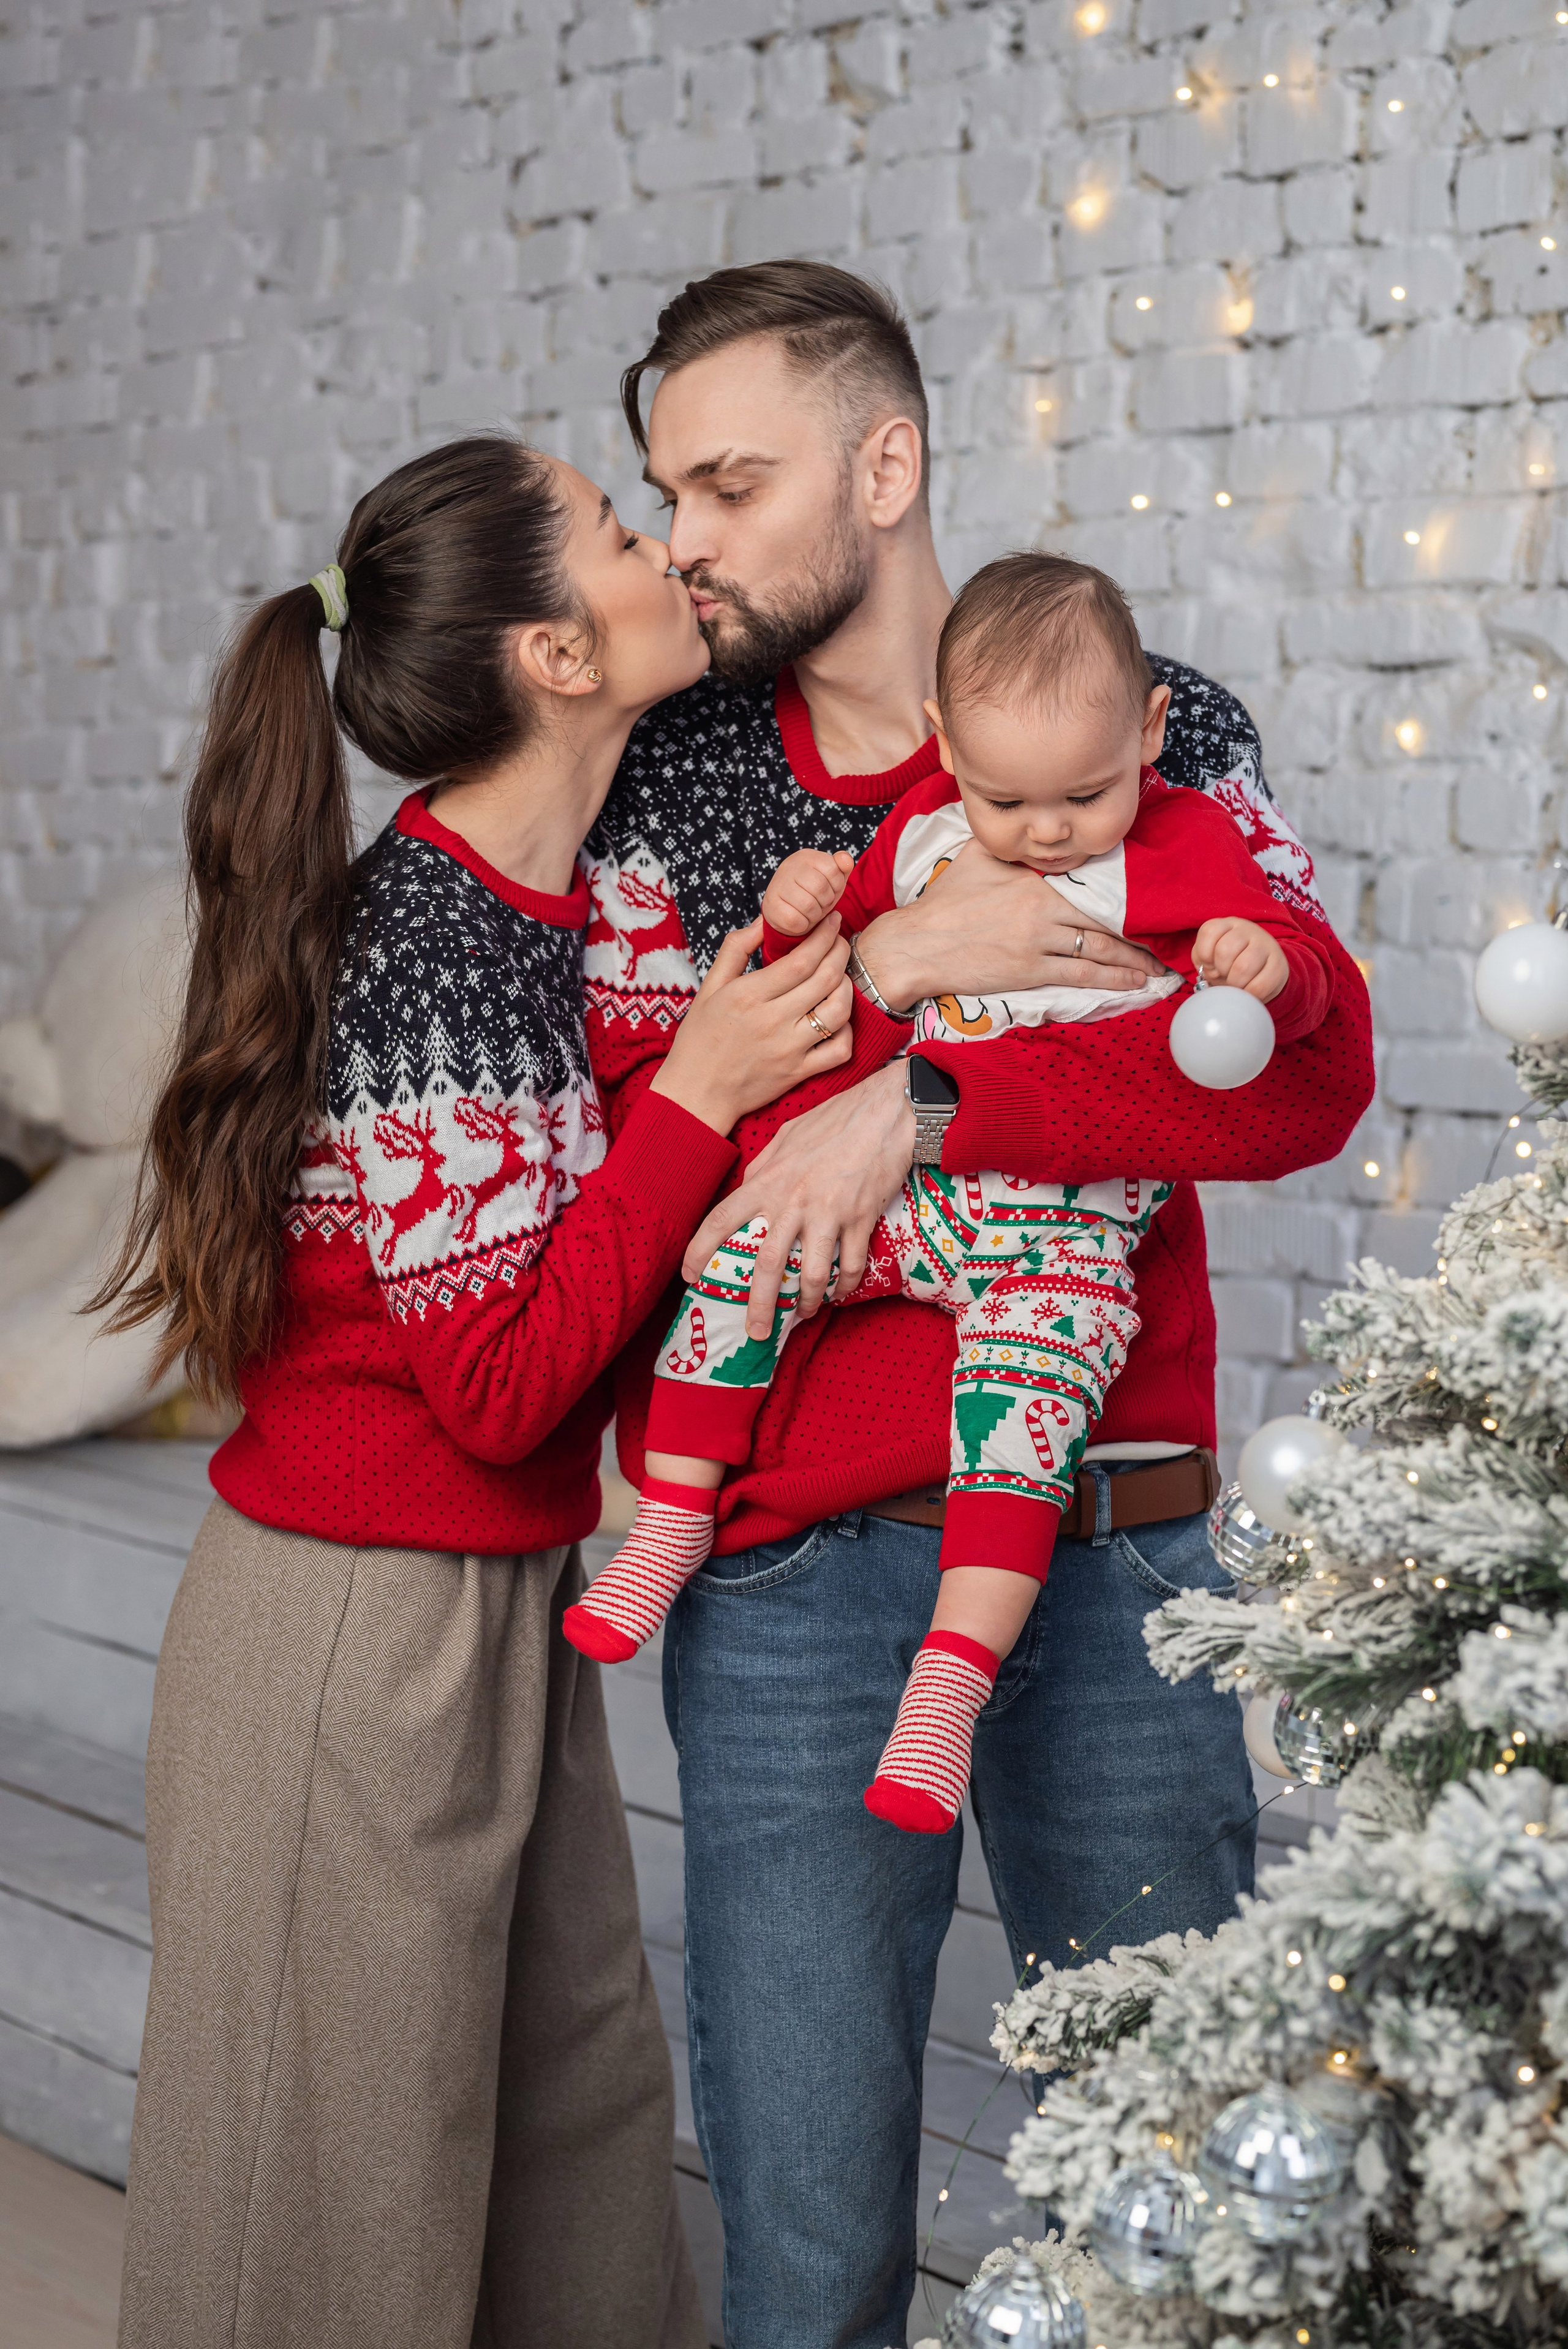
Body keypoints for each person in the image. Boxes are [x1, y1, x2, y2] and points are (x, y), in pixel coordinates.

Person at [582, 261, 1376, 2349]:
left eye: (732, 482)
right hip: (793, 1584)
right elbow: (661, 1173)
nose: (689, 541)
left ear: (887, 460)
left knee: (1188, 2208)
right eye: (667, 495)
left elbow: (1295, 1080)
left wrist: (924, 1101)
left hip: (1119, 1538)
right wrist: (913, 967)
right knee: (813, 2241)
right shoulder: (672, 793)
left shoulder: (1154, 723)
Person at [96, 432, 858, 2349]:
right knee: (326, 2217)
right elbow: (508, 1384)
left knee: (573, 2159)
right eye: (621, 528)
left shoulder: (558, 899)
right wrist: (697, 1090)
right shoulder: (437, 940)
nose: (671, 545)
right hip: (354, 1626)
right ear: (555, 654)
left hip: (492, 1600)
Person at [568, 552, 1338, 1840]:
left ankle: (947, 1679)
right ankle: (670, 1517)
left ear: (1149, 733)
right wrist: (813, 907)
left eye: (1082, 796)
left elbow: (1306, 1026)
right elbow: (816, 978)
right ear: (944, 745)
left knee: (1019, 1420)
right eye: (1005, 798)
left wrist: (1267, 969)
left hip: (1060, 1231)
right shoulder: (925, 826)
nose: (1042, 831)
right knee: (747, 1256)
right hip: (920, 1213)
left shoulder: (1181, 842)